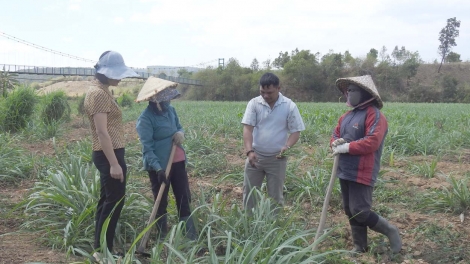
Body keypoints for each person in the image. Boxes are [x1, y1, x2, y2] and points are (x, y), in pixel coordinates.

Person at [330, 75, 402, 253]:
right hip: (344, 169)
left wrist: (347, 147)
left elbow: (372, 141)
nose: (349, 94)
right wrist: (335, 143)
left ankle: (391, 231)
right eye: (348, 91)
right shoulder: (346, 116)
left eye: (353, 90)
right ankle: (359, 246)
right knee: (349, 209)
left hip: (363, 170)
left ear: (364, 93)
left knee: (360, 210)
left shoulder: (374, 115)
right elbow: (335, 134)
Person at [84, 51, 139, 257]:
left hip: (110, 153)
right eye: (117, 73)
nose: (120, 77)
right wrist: (114, 164)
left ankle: (100, 248)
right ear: (105, 73)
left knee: (107, 199)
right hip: (109, 155)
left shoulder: (102, 90)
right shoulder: (97, 94)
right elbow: (101, 132)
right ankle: (103, 251)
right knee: (115, 200)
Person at [135, 86, 197, 241]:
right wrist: (158, 169)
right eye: (165, 99)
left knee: (183, 197)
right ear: (156, 101)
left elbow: (179, 127)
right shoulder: (145, 120)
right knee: (160, 201)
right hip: (159, 166)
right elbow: (147, 148)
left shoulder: (171, 111)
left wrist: (180, 133)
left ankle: (190, 237)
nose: (168, 102)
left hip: (177, 160)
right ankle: (162, 237)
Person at [241, 72, 305, 213]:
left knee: (275, 196)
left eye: (269, 92)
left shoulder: (289, 106)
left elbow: (296, 131)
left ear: (278, 88)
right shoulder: (254, 103)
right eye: (262, 92)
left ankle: (274, 225)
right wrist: (249, 151)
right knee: (249, 194)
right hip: (255, 156)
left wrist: (286, 146)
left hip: (277, 158)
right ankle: (248, 222)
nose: (265, 96)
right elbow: (248, 129)